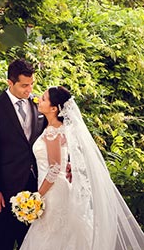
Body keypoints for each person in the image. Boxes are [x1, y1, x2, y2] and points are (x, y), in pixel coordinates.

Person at [20, 86, 144, 250]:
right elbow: (64, 160)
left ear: (54, 108)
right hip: (57, 189)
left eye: (43, 99)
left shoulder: (52, 133)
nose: (39, 100)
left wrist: (37, 195)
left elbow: (55, 168)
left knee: (51, 237)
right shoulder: (59, 129)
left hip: (53, 192)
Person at [0, 59, 46, 250]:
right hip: (6, 187)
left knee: (32, 241)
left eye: (32, 84)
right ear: (10, 82)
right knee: (4, 240)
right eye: (24, 85)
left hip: (36, 185)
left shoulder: (37, 104)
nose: (29, 89)